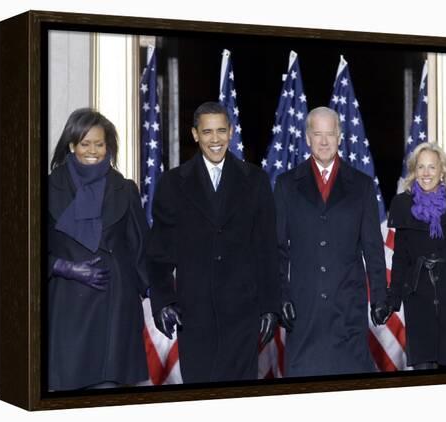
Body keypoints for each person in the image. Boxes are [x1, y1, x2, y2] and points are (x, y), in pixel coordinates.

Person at [146, 101, 280, 383]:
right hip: (194, 315)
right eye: (208, 132)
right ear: (195, 134)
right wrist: (163, 302)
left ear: (231, 132)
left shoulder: (255, 181)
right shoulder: (172, 183)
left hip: (243, 314)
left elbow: (267, 250)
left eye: (221, 130)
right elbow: (159, 253)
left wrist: (270, 305)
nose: (215, 139)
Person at [274, 106, 390, 377]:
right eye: (317, 134)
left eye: (330, 134)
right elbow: (276, 249)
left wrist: (380, 298)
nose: (324, 141)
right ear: (307, 138)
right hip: (303, 313)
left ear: (340, 137)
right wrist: (280, 297)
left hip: (348, 311)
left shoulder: (362, 186)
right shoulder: (286, 185)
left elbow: (373, 249)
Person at [48, 108, 149, 391]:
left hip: (115, 310)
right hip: (66, 306)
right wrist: (63, 267)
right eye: (85, 143)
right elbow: (21, 254)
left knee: (108, 394)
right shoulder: (43, 188)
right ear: (71, 145)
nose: (92, 150)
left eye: (99, 143)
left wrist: (159, 296)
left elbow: (142, 251)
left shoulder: (125, 189)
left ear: (108, 147)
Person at [387, 142, 446, 369]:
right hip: (418, 298)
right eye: (421, 167)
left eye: (432, 167)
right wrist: (393, 299)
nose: (426, 173)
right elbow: (400, 259)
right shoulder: (402, 204)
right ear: (414, 171)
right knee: (423, 372)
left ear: (442, 171)